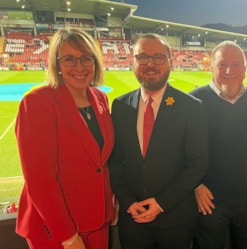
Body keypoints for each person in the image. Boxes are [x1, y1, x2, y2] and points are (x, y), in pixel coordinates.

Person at [15, 28, 114, 249]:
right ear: (56, 64)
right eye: (69, 59)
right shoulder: (38, 102)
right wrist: (66, 235)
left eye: (86, 58)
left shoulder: (100, 98)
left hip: (98, 220)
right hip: (56, 228)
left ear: (95, 62)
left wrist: (111, 203)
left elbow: (101, 163)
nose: (79, 67)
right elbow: (39, 179)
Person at [108, 33, 208, 249]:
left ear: (171, 62)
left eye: (158, 58)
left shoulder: (191, 107)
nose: (150, 64)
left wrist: (162, 203)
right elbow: (114, 161)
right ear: (132, 61)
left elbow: (197, 164)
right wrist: (127, 201)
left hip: (175, 221)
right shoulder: (120, 106)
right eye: (142, 57)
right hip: (133, 220)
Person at [190, 41, 247, 249]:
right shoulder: (194, 102)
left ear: (245, 70)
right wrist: (196, 185)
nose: (229, 70)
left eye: (236, 65)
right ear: (211, 67)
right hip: (210, 200)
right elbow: (183, 150)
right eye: (222, 64)